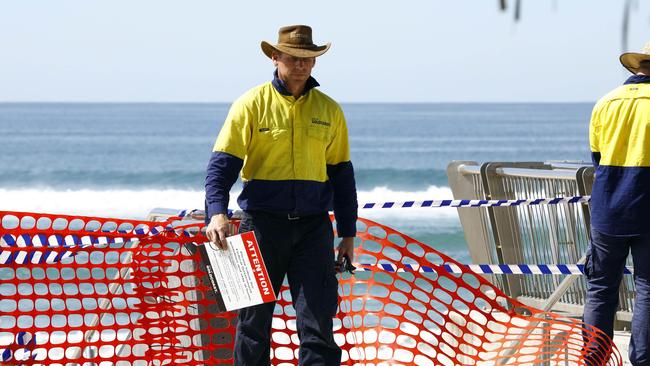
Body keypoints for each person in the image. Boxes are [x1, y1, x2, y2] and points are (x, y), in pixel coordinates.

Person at [204, 25, 358, 365]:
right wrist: (216, 212)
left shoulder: (329, 110)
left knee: (318, 325)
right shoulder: (251, 104)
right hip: (260, 229)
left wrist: (348, 232)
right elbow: (221, 167)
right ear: (276, 58)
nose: (301, 65)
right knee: (252, 326)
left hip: (313, 231)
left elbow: (342, 177)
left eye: (308, 58)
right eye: (293, 57)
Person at [584, 42, 650, 365]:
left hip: (608, 211)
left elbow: (597, 159)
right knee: (648, 289)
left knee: (601, 289)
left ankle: (594, 359)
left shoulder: (605, 103)